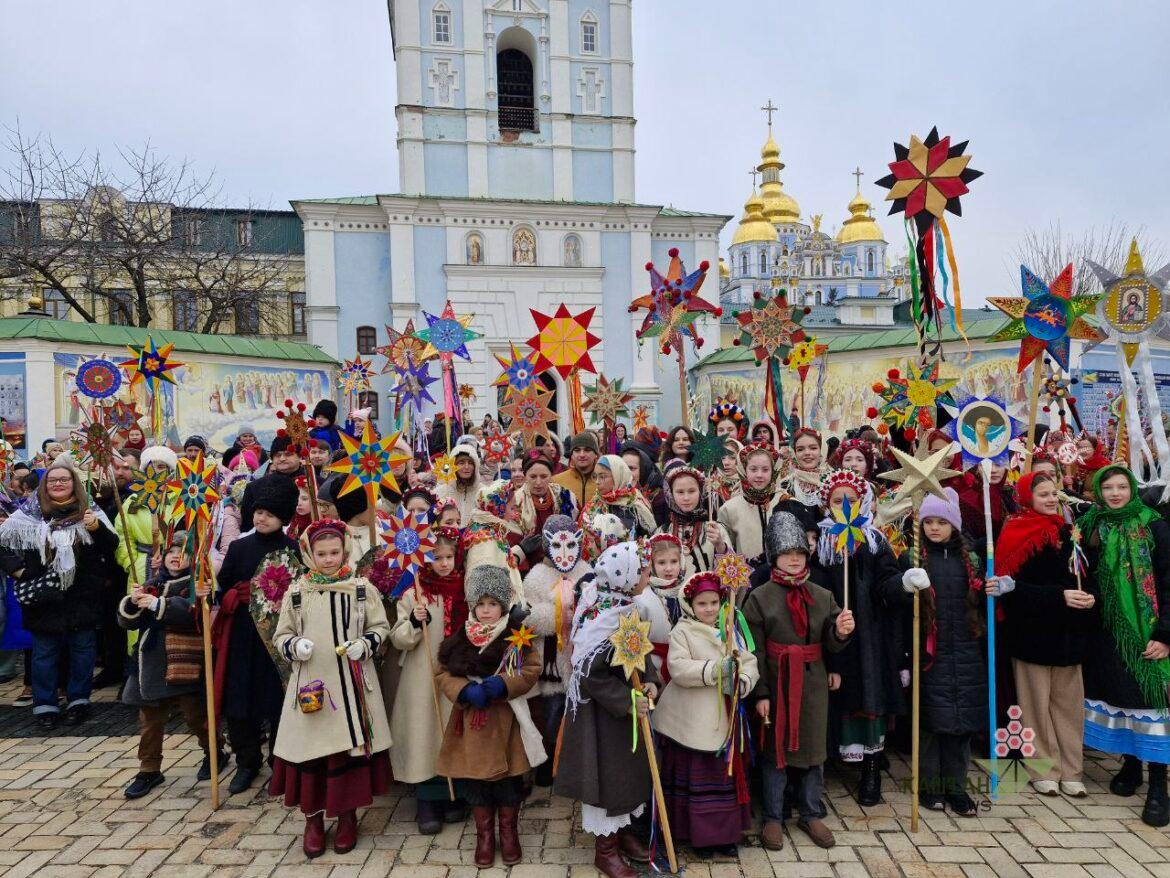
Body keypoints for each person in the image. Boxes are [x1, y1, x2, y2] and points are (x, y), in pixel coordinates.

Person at [269, 519, 392, 858]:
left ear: (345, 551)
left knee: (347, 750)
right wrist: (295, 646)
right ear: (309, 554)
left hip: (351, 687)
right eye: (321, 553)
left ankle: (348, 816)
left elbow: (381, 627)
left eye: (334, 552)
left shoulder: (362, 589)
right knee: (313, 751)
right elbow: (280, 635)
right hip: (312, 686)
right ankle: (313, 819)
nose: (328, 559)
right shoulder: (297, 593)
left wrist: (365, 644)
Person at [743, 511, 853, 850]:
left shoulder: (822, 595)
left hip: (813, 685)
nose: (794, 559)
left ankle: (810, 812)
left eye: (800, 553)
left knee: (812, 750)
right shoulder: (760, 597)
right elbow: (754, 649)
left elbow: (832, 642)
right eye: (787, 554)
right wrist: (761, 692)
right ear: (775, 556)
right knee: (775, 751)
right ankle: (774, 816)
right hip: (776, 682)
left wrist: (840, 631)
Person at [555, 542, 658, 878]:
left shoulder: (625, 606)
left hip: (625, 713)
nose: (648, 575)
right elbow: (590, 676)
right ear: (625, 577)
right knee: (609, 778)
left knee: (627, 774)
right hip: (601, 717)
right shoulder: (604, 619)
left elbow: (637, 651)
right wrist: (627, 700)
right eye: (643, 571)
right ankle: (606, 850)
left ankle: (623, 832)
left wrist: (651, 679)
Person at [1078, 465, 1170, 825]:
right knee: (1122, 699)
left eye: (1121, 487)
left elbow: (1167, 582)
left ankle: (1159, 787)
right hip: (1108, 634)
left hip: (1147, 633)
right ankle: (1131, 767)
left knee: (1153, 705)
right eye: (1108, 488)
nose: (1115, 494)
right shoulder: (1092, 527)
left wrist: (1165, 635)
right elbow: (1087, 575)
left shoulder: (1155, 526)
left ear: (1132, 489)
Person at [435, 565, 543, 868]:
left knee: (507, 782)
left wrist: (505, 684)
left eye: (493, 604)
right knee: (477, 783)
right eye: (480, 604)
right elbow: (442, 672)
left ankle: (508, 830)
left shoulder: (516, 636)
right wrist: (463, 689)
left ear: (503, 605)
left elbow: (531, 669)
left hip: (504, 720)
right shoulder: (460, 636)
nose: (486, 611)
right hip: (470, 723)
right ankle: (484, 833)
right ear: (472, 605)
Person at [996, 471, 1097, 797]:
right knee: (1035, 708)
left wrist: (1089, 594)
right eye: (1043, 495)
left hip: (1069, 635)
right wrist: (1058, 597)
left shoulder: (1070, 533)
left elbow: (1085, 574)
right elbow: (1009, 590)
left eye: (1054, 493)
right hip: (1032, 636)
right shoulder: (1015, 531)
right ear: (1028, 497)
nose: (1052, 499)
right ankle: (1043, 768)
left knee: (1069, 707)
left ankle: (1072, 769)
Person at [0, 457, 118, 729]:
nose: (58, 484)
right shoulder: (30, 514)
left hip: (82, 595)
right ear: (45, 485)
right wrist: (19, 571)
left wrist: (95, 528)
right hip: (44, 596)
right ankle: (45, 705)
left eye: (64, 480)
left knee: (83, 651)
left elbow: (110, 545)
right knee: (44, 653)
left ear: (74, 483)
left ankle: (78, 701)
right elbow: (3, 543)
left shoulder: (90, 511)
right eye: (52, 480)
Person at [815, 469, 907, 805]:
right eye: (837, 501)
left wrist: (902, 584)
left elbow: (887, 580)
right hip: (835, 630)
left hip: (869, 634)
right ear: (827, 504)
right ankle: (834, 764)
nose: (845, 506)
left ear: (862, 502)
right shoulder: (823, 542)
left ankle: (871, 769)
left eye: (851, 501)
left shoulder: (873, 540)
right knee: (839, 696)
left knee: (869, 695)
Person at [655, 571, 759, 859]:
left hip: (722, 720)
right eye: (702, 604)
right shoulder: (682, 631)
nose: (710, 609)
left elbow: (749, 660)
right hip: (691, 720)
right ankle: (696, 835)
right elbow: (677, 668)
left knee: (721, 780)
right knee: (695, 779)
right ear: (691, 605)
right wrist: (713, 671)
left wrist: (743, 678)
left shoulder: (729, 628)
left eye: (714, 602)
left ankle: (723, 835)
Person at [118, 532, 223, 799]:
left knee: (195, 716)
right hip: (151, 661)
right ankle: (149, 768)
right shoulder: (151, 583)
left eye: (184, 552)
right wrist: (134, 602)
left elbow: (191, 613)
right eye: (171, 552)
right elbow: (128, 621)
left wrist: (157, 604)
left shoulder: (199, 583)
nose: (177, 557)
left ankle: (214, 751)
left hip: (185, 659)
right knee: (150, 720)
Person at [213, 476, 300, 795]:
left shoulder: (293, 549)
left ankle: (281, 761)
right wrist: (223, 597)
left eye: (270, 513)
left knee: (278, 699)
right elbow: (222, 588)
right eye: (258, 511)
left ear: (283, 517)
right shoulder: (238, 548)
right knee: (241, 699)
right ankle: (246, 761)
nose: (261, 518)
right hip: (242, 635)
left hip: (278, 637)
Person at [904, 488, 987, 816]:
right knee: (930, 724)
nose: (934, 528)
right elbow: (896, 599)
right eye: (928, 522)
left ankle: (957, 787)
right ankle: (929, 786)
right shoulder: (916, 557)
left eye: (941, 521)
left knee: (960, 725)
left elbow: (981, 603)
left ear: (954, 524)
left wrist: (992, 589)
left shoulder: (972, 560)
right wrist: (905, 583)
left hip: (966, 652)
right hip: (930, 656)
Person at [389, 526, 467, 833]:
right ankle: (427, 798)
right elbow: (398, 639)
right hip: (422, 677)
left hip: (455, 673)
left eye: (449, 557)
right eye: (437, 558)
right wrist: (412, 621)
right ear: (425, 559)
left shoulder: (464, 590)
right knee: (425, 734)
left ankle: (453, 791)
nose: (444, 563)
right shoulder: (415, 594)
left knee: (450, 731)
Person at [523, 515, 588, 786]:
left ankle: (575, 764)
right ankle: (548, 760)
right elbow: (528, 615)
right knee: (551, 714)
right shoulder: (536, 577)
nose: (564, 553)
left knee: (577, 715)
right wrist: (558, 612)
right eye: (558, 546)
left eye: (570, 545)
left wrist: (578, 611)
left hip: (578, 658)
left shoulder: (586, 571)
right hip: (550, 661)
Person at [718, 442, 785, 566]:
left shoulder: (785, 502)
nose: (759, 475)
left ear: (773, 471)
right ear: (744, 470)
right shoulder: (729, 509)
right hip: (747, 580)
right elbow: (726, 552)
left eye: (765, 470)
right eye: (753, 469)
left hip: (782, 578)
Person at [657, 465, 730, 576]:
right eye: (680, 492)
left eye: (691, 491)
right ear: (671, 494)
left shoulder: (715, 529)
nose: (686, 498)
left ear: (700, 492)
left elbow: (732, 575)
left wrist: (720, 546)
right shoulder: (662, 532)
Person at [582, 455, 656, 541]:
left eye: (602, 477)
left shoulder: (636, 505)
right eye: (595, 476)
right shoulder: (594, 504)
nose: (597, 482)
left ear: (617, 476)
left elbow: (648, 540)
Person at [436, 444, 482, 527]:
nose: (467, 467)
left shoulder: (482, 491)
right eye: (461, 463)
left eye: (470, 463)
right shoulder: (441, 491)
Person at [553, 431, 601, 510]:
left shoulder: (604, 481)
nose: (582, 454)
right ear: (572, 455)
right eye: (577, 450)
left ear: (596, 454)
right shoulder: (556, 481)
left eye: (587, 450)